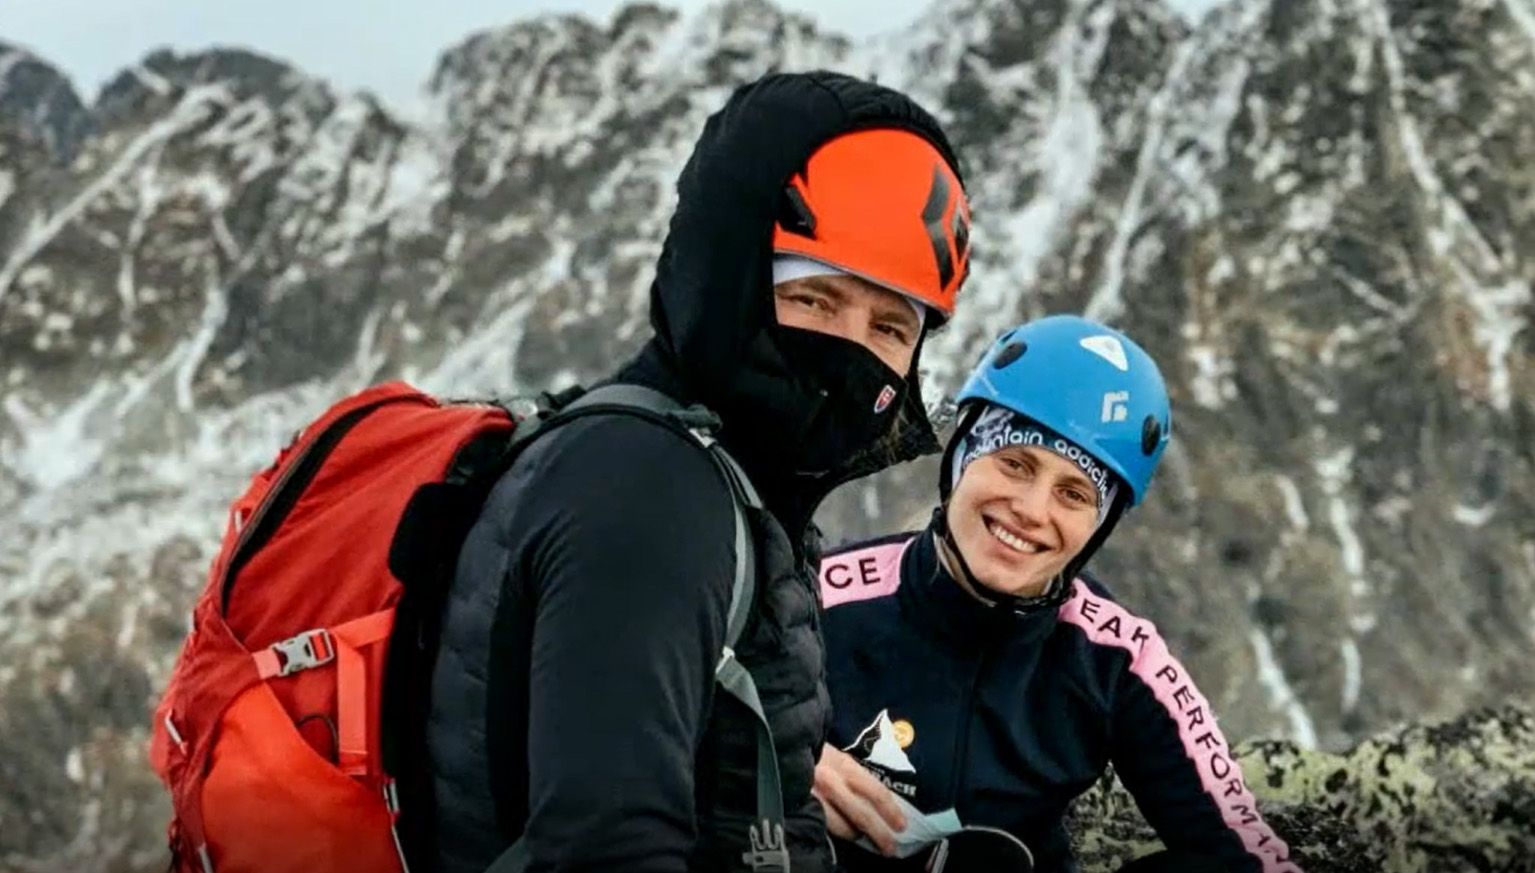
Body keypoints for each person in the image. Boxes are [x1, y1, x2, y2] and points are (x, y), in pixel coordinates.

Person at [422, 71, 974, 873]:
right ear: (726, 278)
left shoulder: (714, 478)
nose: (849, 353)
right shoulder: (647, 491)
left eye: (890, 327)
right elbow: (605, 851)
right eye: (816, 300)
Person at [813, 316, 1301, 873]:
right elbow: (721, 707)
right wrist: (777, 758)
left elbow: (1247, 850)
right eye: (1015, 463)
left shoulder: (1117, 660)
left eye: (1073, 494)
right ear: (962, 458)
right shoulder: (822, 597)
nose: (1031, 510)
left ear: (1100, 525)